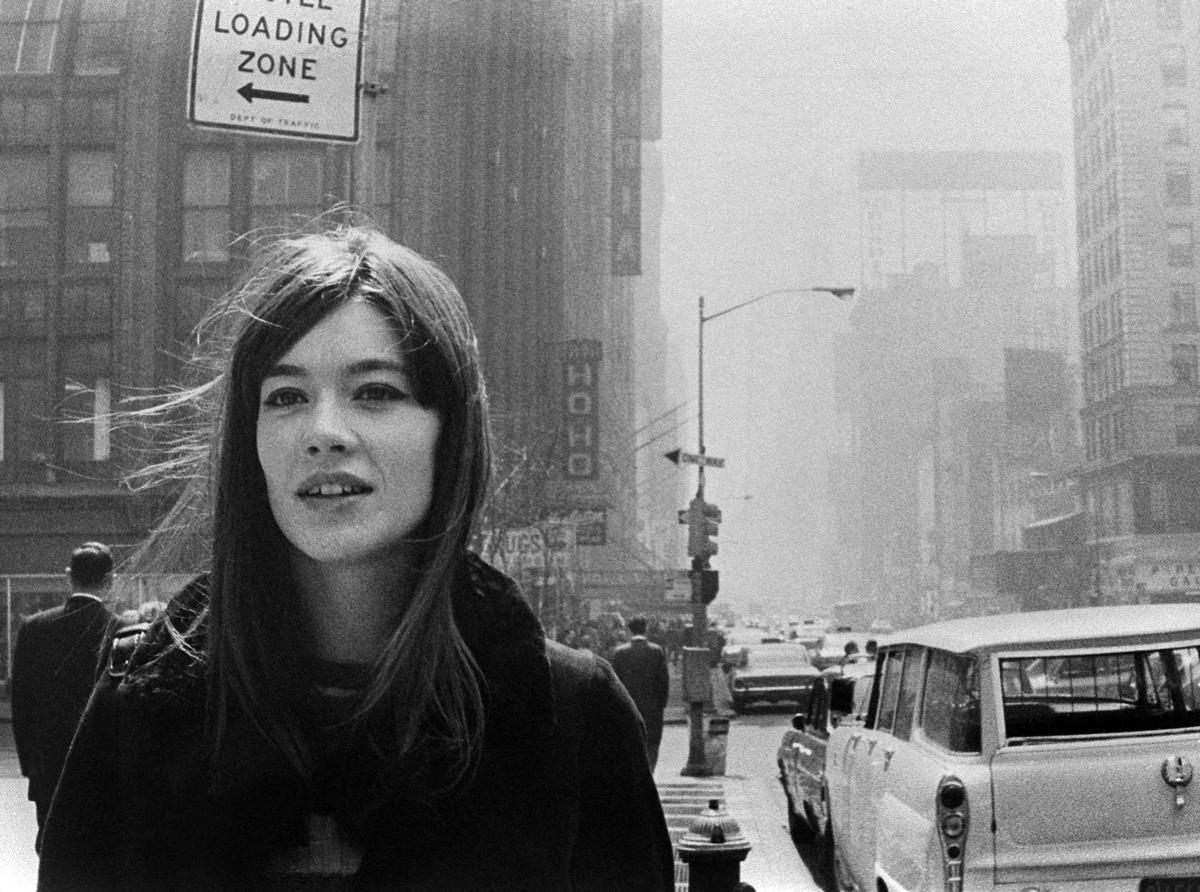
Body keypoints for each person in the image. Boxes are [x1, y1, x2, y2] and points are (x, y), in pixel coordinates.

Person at [38, 224, 674, 890]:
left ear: (447, 431)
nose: (324, 434)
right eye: (286, 397)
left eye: (375, 392)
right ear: (249, 446)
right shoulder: (139, 714)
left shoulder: (571, 720)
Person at [11, 541, 117, 848]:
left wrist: (31, 765)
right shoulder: (120, 630)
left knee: (52, 851)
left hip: (48, 767)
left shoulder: (34, 628)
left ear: (68, 576)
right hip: (103, 770)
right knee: (99, 855)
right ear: (110, 580)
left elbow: (22, 704)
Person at [610, 616, 670, 771]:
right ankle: (649, 775)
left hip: (627, 707)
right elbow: (663, 682)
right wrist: (661, 704)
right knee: (651, 745)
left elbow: (613, 683)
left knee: (628, 744)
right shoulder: (657, 651)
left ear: (629, 630)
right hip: (652, 707)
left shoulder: (619, 653)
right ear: (646, 629)